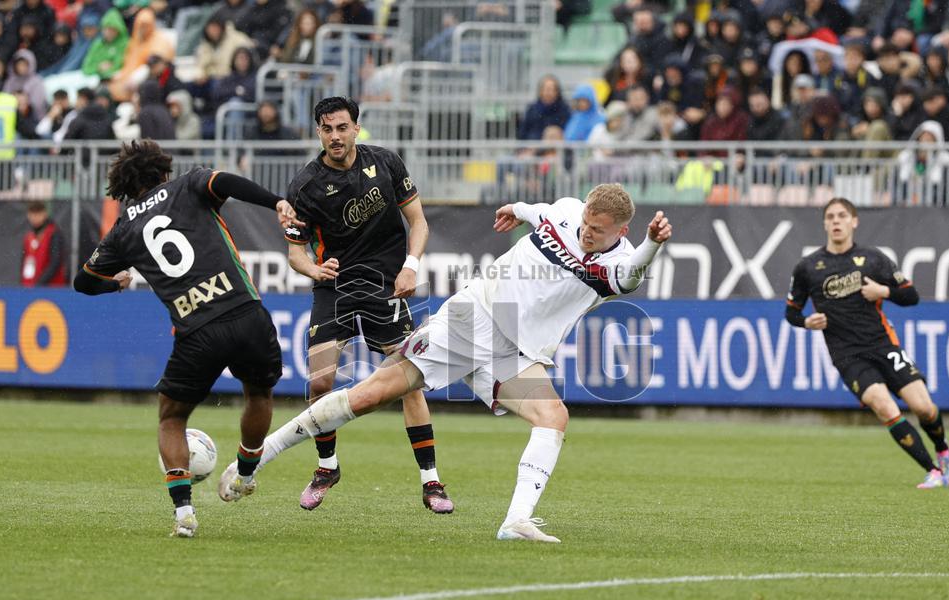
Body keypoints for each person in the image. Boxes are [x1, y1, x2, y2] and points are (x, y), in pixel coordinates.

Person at [251, 185, 672, 542]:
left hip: (515, 353)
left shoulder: (619, 263)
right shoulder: (566, 210)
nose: (586, 234)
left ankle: (515, 521)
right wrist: (514, 210)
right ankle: (258, 456)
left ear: (622, 231)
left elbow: (634, 274)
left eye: (598, 232)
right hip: (473, 318)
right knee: (372, 394)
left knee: (553, 417)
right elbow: (536, 211)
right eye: (585, 223)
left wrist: (653, 243)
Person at [218, 97, 455, 515]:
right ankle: (327, 466)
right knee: (321, 382)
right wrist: (314, 269)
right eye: (327, 129)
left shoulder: (386, 164)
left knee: (409, 382)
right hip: (335, 288)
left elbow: (418, 221)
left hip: (387, 286)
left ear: (356, 128)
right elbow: (294, 254)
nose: (336, 136)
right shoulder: (306, 186)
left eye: (342, 127)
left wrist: (411, 266)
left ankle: (431, 480)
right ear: (318, 133)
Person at [73, 139, 299, 538]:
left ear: (125, 184)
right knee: (259, 394)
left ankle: (184, 514)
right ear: (163, 171)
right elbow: (226, 181)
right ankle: (246, 473)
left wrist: (117, 282)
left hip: (197, 331)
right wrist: (276, 201)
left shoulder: (123, 230)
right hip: (246, 312)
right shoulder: (190, 184)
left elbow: (84, 282)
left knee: (172, 417)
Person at [784, 197, 949, 489]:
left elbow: (911, 297)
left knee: (924, 408)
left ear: (854, 221)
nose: (836, 221)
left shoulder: (874, 259)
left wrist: (883, 290)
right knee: (885, 407)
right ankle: (934, 471)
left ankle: (943, 449)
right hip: (848, 356)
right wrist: (806, 322)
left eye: (842, 216)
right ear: (824, 224)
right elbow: (791, 312)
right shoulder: (808, 267)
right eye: (831, 217)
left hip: (884, 346)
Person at [20, 201, 67, 287]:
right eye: (32, 214)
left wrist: (39, 284)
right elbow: (24, 263)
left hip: (50, 289)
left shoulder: (53, 233)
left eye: (38, 213)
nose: (35, 217)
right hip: (29, 288)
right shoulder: (28, 237)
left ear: (44, 214)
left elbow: (55, 262)